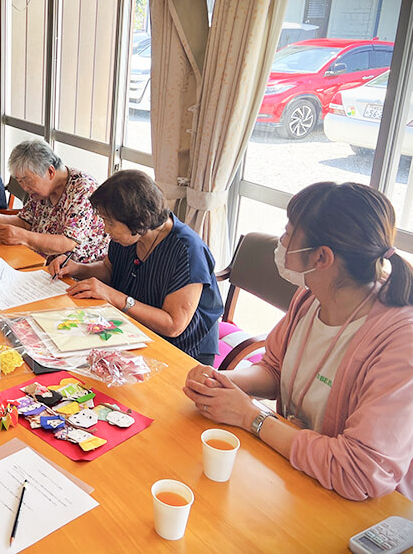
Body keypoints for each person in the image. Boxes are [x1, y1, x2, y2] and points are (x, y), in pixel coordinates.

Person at [183, 182, 413, 501]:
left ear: (321, 257)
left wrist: (251, 416)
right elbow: (275, 370)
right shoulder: (311, 297)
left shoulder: (400, 340)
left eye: (289, 232)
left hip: (360, 506)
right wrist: (223, 381)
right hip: (298, 476)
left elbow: (361, 472)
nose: (282, 240)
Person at [50, 170, 223, 364]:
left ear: (138, 220)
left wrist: (114, 297)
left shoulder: (187, 251)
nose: (106, 230)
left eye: (110, 222)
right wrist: (78, 269)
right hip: (133, 328)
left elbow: (173, 325)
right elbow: (109, 270)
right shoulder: (128, 235)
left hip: (182, 349)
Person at [0, 140, 109, 264]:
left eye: (28, 180)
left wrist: (24, 237)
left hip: (73, 272)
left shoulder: (82, 189)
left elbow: (67, 243)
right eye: (20, 181)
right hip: (40, 259)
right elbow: (25, 223)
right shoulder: (40, 192)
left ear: (50, 171)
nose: (25, 187)